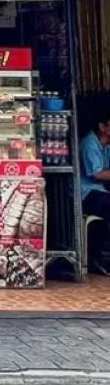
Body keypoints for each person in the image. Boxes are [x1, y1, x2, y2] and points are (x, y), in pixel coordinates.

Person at [80, 111, 110, 272]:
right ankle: (103, 259)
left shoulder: (106, 146)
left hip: (99, 192)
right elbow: (97, 173)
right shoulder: (89, 143)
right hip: (85, 194)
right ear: (102, 127)